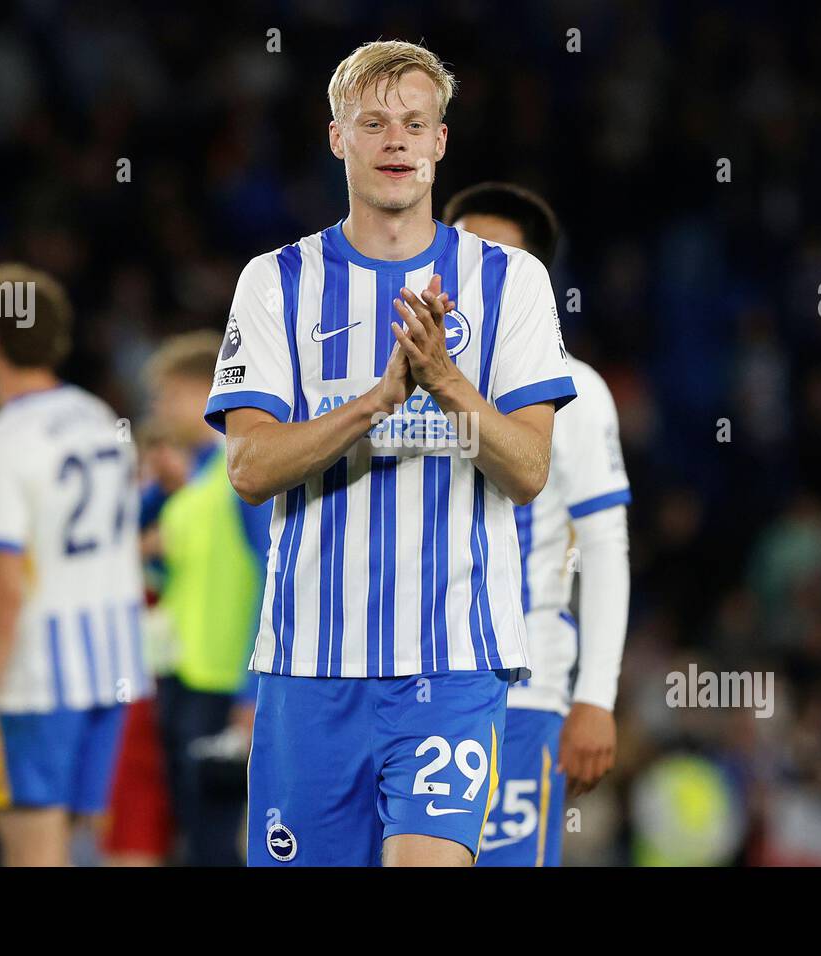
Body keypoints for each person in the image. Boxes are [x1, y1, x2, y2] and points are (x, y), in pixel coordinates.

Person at [207, 40, 576, 866]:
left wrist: (445, 381)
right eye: (373, 122)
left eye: (414, 123)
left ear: (441, 143)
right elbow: (250, 469)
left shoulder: (510, 282)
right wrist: (377, 401)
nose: (395, 141)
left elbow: (527, 470)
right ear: (337, 137)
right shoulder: (275, 281)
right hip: (309, 668)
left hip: (451, 661)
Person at [444, 182, 632, 866]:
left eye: (493, 256)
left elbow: (606, 548)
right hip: (405, 687)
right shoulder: (396, 379)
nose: (469, 270)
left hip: (519, 695)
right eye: (458, 250)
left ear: (534, 281)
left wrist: (594, 698)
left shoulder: (573, 390)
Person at [0, 264, 148, 866]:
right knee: (83, 851)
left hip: (37, 682)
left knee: (34, 858)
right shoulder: (97, 416)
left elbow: (4, 590)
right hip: (113, 668)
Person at [144, 331, 269, 866]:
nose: (158, 409)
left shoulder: (242, 470)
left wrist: (250, 690)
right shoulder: (191, 476)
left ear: (204, 392)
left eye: (168, 395)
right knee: (196, 836)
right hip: (184, 675)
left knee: (218, 842)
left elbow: (273, 576)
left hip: (224, 685)